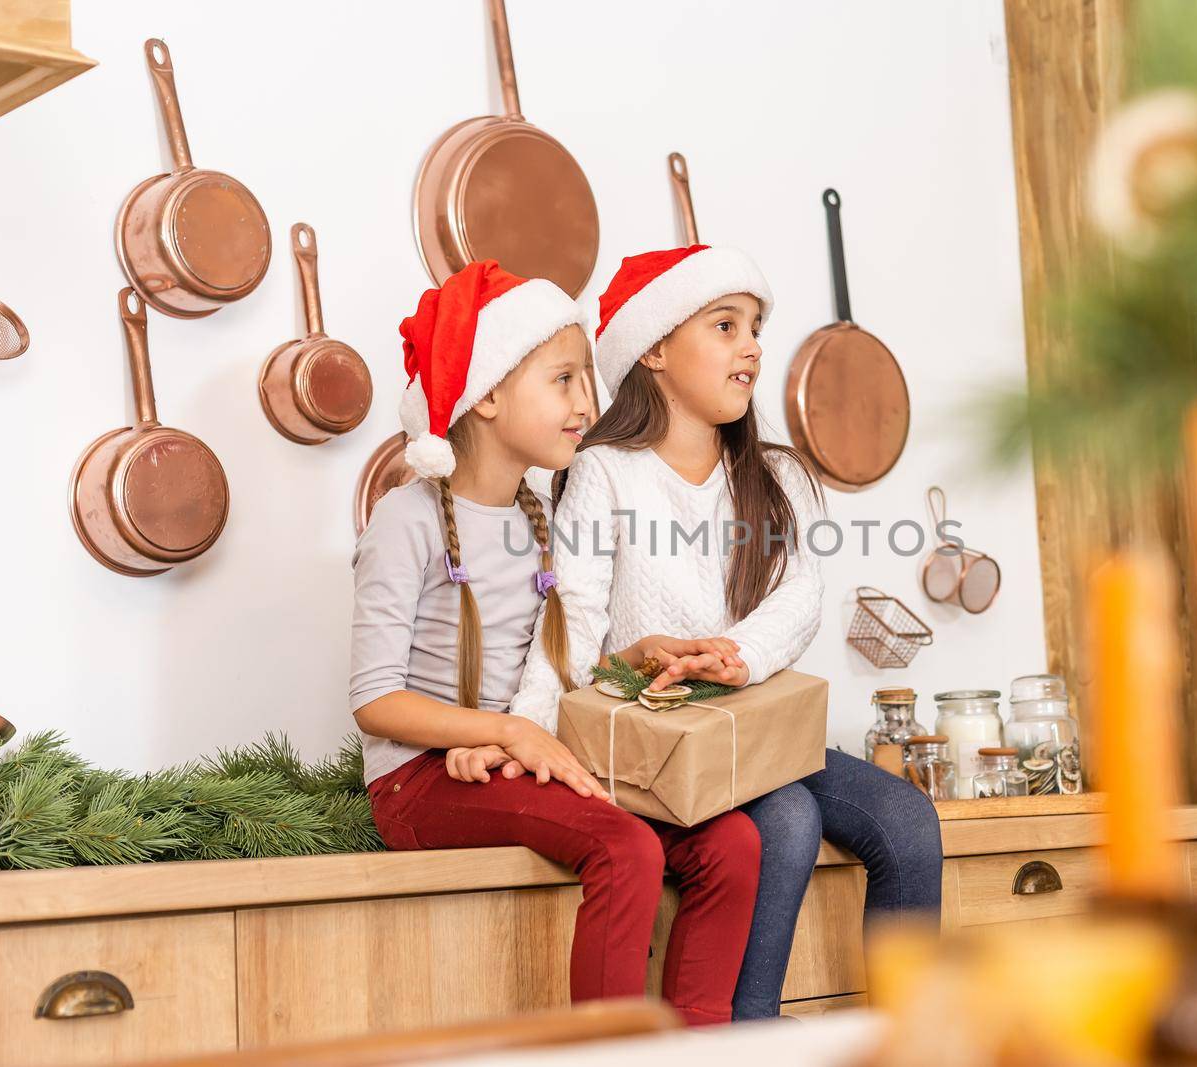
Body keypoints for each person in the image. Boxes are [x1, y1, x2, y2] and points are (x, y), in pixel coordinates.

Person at [514, 244, 942, 1020]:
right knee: (786, 817)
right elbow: (571, 615)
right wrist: (526, 732)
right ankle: (746, 1037)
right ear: (653, 347)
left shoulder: (776, 475)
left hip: (754, 733)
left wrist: (737, 654)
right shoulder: (604, 471)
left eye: (754, 326)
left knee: (907, 820)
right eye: (724, 324)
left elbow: (801, 594)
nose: (751, 345)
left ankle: (913, 1039)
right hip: (663, 740)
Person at [350, 260, 760, 1025]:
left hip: (514, 755)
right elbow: (375, 700)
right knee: (627, 847)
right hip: (417, 781)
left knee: (730, 842)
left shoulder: (541, 511)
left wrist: (630, 659)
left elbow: (550, 665)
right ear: (491, 392)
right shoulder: (404, 522)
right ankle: (607, 1049)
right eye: (565, 380)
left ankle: (701, 1046)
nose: (588, 403)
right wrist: (500, 731)